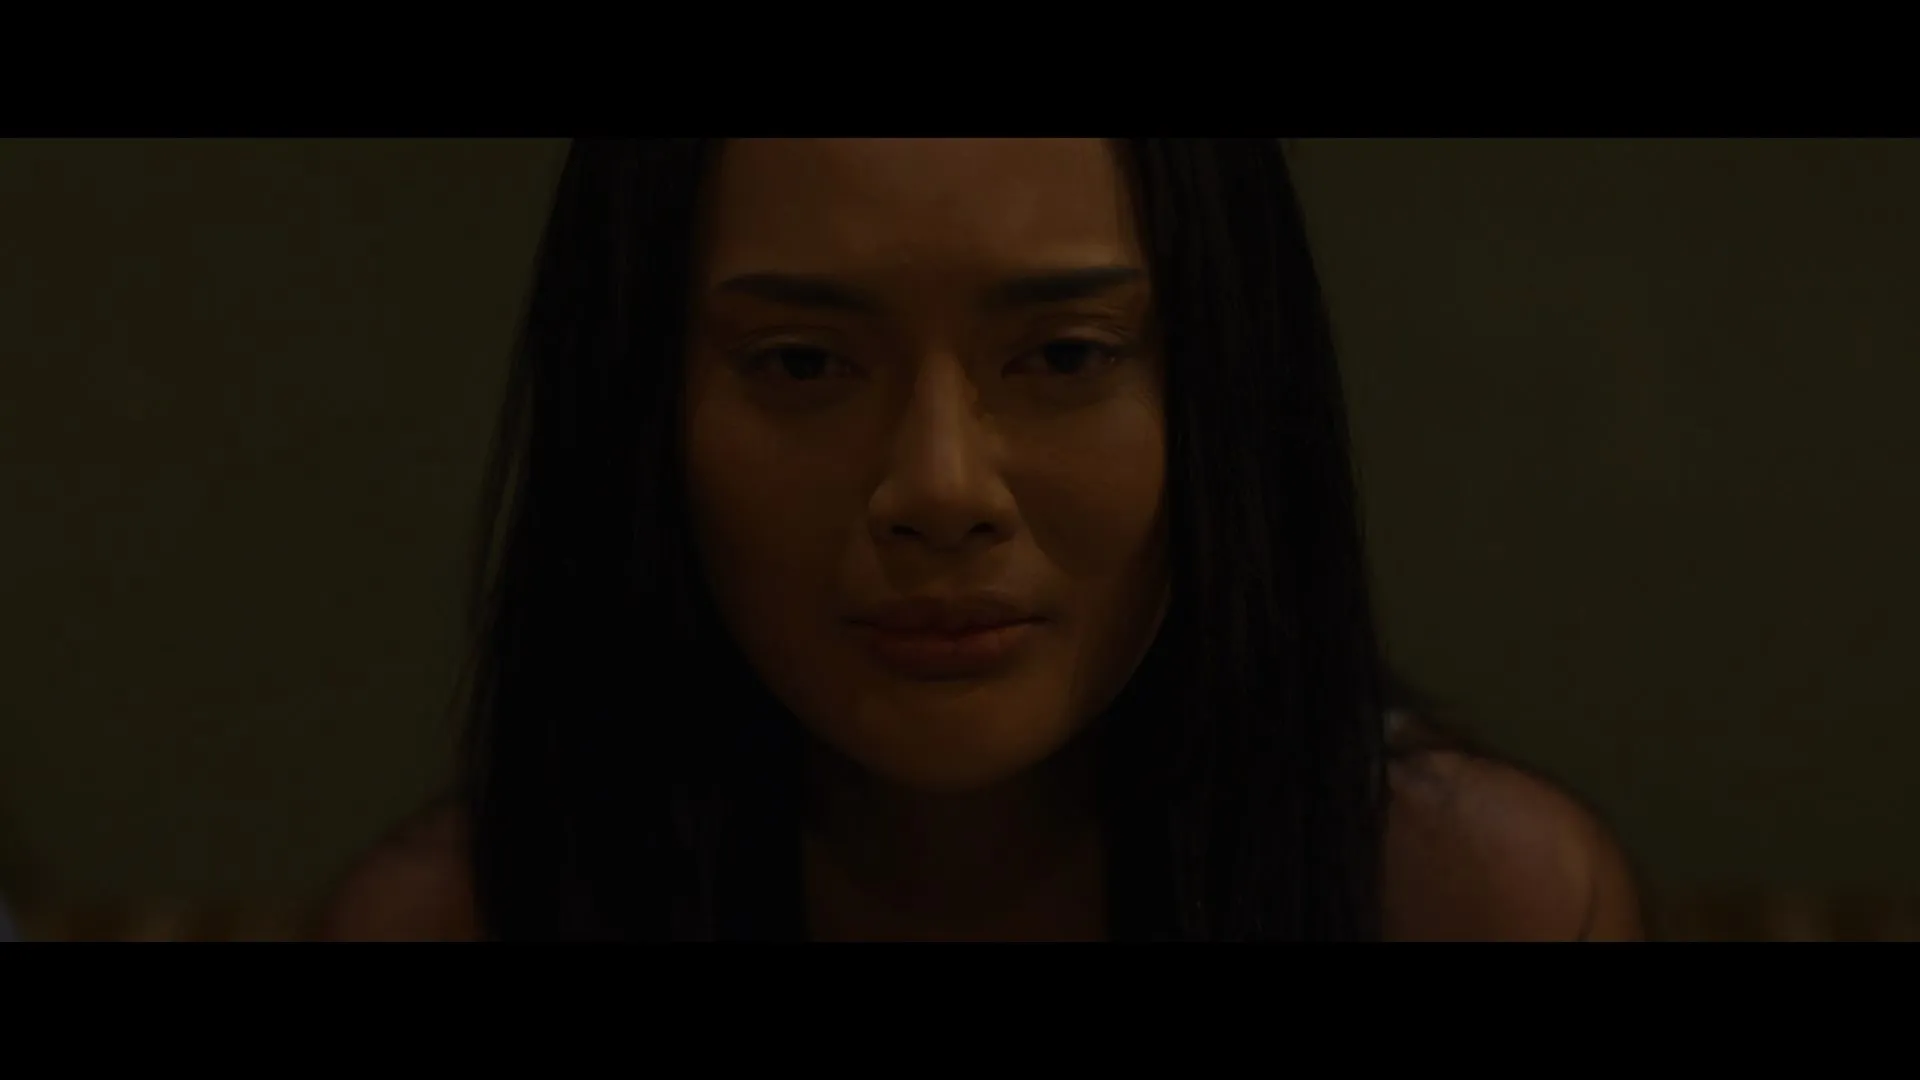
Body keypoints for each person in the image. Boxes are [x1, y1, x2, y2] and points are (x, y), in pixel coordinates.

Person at [320, 139, 1642, 941]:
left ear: (1227, 393)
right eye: (802, 363)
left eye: (1065, 356)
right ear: (638, 407)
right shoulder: (457, 920)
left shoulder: (1471, 903)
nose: (941, 488)